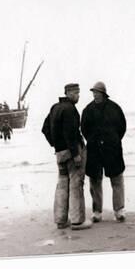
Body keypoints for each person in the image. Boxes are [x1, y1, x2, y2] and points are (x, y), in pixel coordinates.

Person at [81, 81, 127, 223]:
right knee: (95, 180)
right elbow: (84, 130)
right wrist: (93, 140)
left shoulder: (115, 108)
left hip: (112, 149)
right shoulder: (87, 110)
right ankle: (97, 212)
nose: (95, 95)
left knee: (117, 178)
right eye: (93, 92)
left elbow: (122, 127)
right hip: (94, 149)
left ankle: (119, 211)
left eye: (97, 92)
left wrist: (113, 140)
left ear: (103, 94)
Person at [48, 83, 91, 230]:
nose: (78, 96)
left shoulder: (55, 108)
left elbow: (45, 129)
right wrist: (76, 154)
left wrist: (55, 145)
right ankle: (78, 221)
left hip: (59, 153)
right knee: (76, 184)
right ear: (69, 93)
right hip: (72, 152)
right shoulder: (70, 109)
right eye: (77, 93)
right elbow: (70, 133)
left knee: (62, 184)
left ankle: (60, 220)